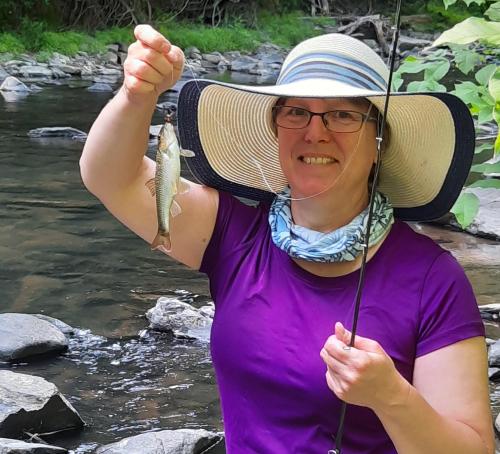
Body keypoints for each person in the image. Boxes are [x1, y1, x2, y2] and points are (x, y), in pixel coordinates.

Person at [80, 24, 495, 454]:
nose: (315, 132)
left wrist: (393, 398)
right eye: (296, 112)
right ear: (276, 130)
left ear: (379, 142)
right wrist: (137, 96)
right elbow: (110, 178)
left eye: (343, 114)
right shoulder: (232, 234)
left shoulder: (434, 279)